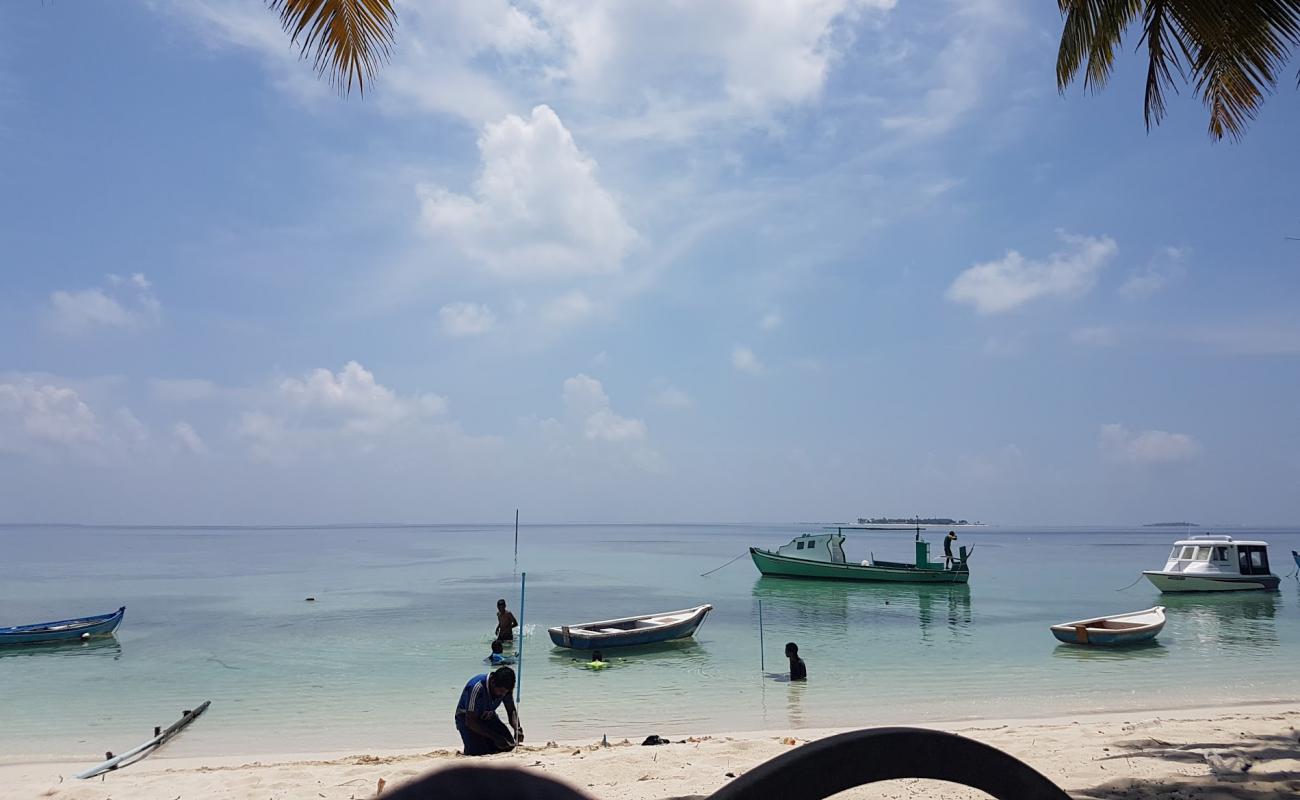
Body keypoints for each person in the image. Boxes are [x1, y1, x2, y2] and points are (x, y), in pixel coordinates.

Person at [454, 667, 523, 756]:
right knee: (478, 752)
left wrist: (517, 728)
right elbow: (470, 721)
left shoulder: (506, 689)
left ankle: (488, 743)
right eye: (501, 691)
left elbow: (511, 710)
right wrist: (495, 737)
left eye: (505, 692)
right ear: (493, 683)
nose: (503, 695)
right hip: (467, 719)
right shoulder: (477, 687)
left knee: (508, 745)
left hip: (488, 716)